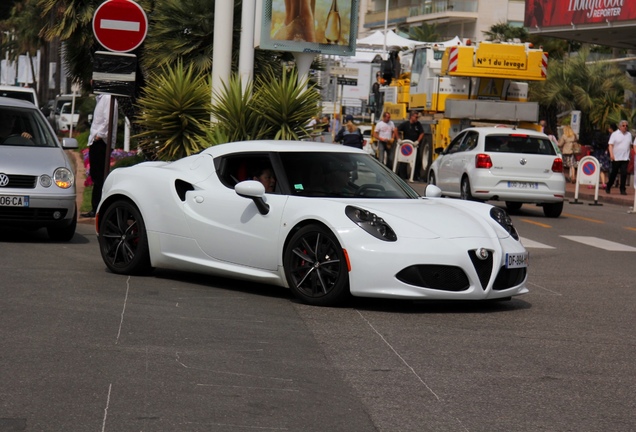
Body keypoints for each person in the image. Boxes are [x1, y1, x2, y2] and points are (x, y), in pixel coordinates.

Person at [81, 94, 118, 218]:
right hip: (97, 141)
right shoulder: (101, 98)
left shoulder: (107, 98)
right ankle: (96, 207)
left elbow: (108, 120)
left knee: (99, 176)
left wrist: (99, 135)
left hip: (102, 143)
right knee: (96, 175)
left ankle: (97, 208)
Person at [606, 120, 632, 195]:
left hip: (625, 157)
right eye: (623, 126)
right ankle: (609, 186)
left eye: (626, 126)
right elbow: (610, 145)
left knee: (624, 173)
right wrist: (611, 154)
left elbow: (629, 145)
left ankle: (622, 189)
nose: (625, 127)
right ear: (620, 127)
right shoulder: (615, 134)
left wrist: (629, 154)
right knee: (614, 173)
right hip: (616, 157)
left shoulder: (629, 135)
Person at [397, 110, 425, 180]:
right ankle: (402, 176)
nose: (417, 118)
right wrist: (398, 139)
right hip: (406, 145)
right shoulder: (405, 124)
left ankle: (415, 176)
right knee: (403, 160)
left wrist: (418, 141)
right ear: (411, 117)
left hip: (414, 145)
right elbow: (395, 129)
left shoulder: (418, 124)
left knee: (417, 160)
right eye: (415, 117)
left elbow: (422, 133)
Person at [592, 124, 613, 189]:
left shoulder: (595, 136)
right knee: (602, 170)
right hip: (603, 153)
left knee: (595, 169)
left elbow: (593, 144)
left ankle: (593, 183)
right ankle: (603, 183)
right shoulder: (605, 137)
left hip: (596, 153)